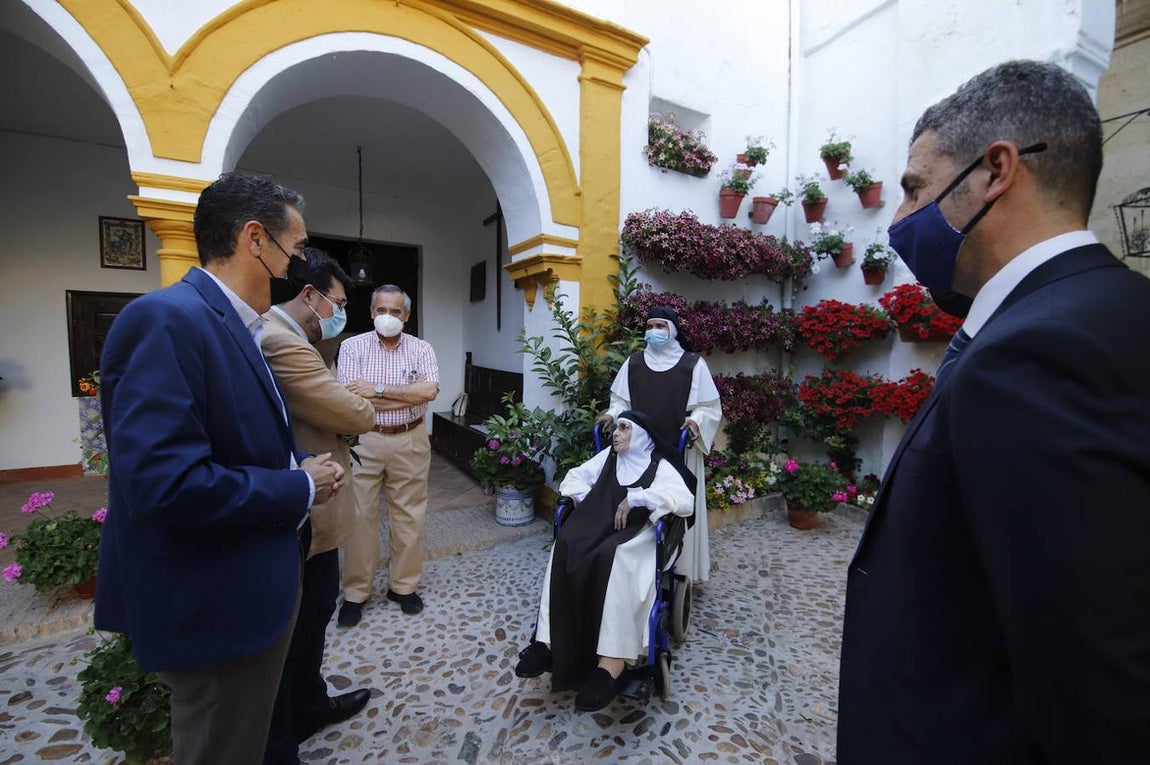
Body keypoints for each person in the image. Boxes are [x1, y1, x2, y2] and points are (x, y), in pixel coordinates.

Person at [838, 60, 1150, 763]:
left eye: (914, 187)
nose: (900, 219)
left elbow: (1095, 689)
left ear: (996, 171)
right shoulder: (1111, 308)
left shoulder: (1039, 353)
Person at [94, 172, 345, 764]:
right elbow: (165, 483)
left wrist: (297, 461)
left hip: (246, 595)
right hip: (213, 603)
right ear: (255, 239)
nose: (297, 267)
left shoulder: (231, 323)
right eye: (295, 249)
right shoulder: (168, 319)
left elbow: (237, 439)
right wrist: (299, 486)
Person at [260, 248, 375, 763]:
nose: (341, 313)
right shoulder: (281, 340)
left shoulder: (300, 339)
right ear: (310, 295)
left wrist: (348, 403)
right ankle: (291, 719)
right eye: (340, 303)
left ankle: (309, 703)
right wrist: (359, 404)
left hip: (318, 495)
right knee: (303, 619)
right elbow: (351, 411)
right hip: (306, 499)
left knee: (316, 611)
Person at [514, 410, 695, 712]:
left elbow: (685, 501)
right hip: (600, 525)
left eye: (624, 428)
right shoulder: (608, 458)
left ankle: (612, 663)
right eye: (616, 428)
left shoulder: (659, 466)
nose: (616, 434)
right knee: (566, 544)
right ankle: (548, 643)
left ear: (642, 437)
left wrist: (639, 498)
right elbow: (575, 477)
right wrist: (593, 501)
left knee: (615, 557)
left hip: (639, 532)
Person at [336, 285, 440, 625]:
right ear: (371, 312)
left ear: (406, 315)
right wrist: (407, 395)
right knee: (359, 516)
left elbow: (429, 391)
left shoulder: (421, 349)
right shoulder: (352, 347)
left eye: (395, 311)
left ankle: (403, 586)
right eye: (381, 310)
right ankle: (356, 591)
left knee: (410, 515)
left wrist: (377, 391)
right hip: (363, 439)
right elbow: (352, 398)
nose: (388, 317)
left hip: (410, 438)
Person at [597, 306, 721, 583]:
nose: (654, 331)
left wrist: (696, 421)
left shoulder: (693, 364)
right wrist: (611, 415)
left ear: (672, 330)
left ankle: (680, 568)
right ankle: (629, 567)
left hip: (678, 450)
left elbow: (708, 407)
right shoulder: (634, 363)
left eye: (660, 326)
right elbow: (621, 402)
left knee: (674, 503)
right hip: (637, 452)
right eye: (650, 326)